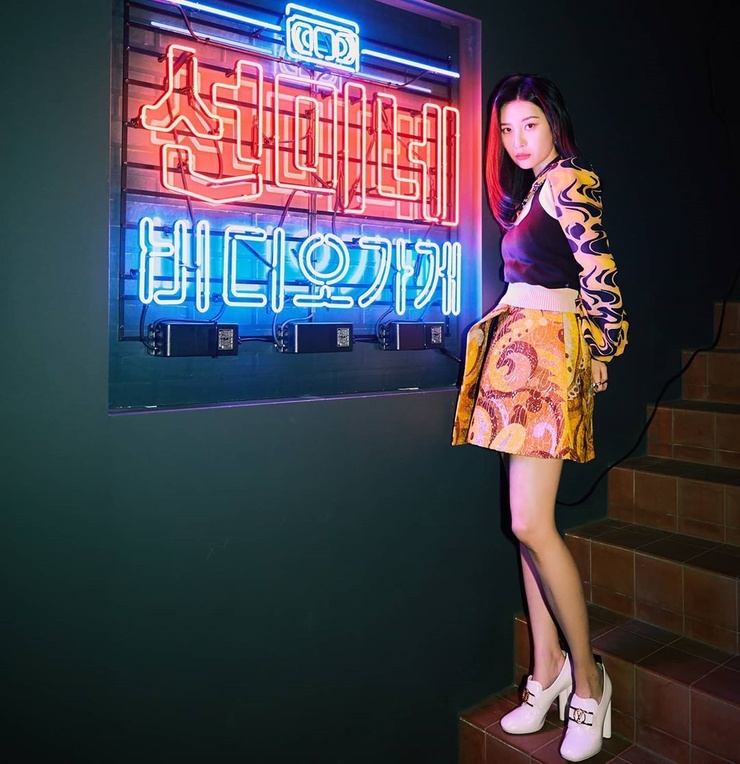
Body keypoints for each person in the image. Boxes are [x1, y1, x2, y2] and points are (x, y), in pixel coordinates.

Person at [452, 74, 628, 762]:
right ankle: (546, 669)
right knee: (525, 526)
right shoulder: (532, 191)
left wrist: (603, 346)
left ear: (553, 122)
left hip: (547, 361)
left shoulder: (568, 180)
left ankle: (588, 681)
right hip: (518, 358)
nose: (517, 140)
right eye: (506, 129)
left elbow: (598, 269)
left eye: (529, 124)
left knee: (531, 523)